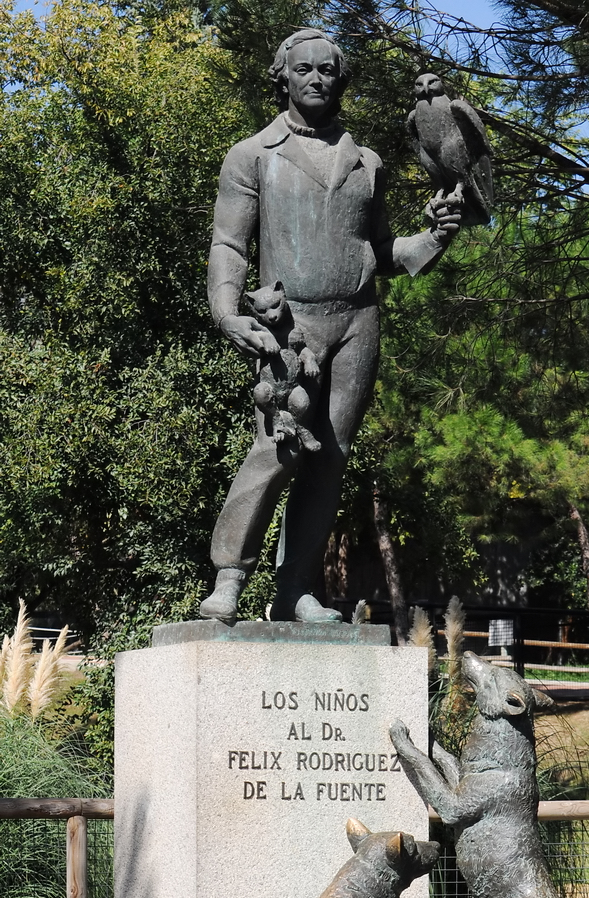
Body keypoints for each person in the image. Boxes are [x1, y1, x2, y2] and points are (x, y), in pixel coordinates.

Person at [200, 28, 461, 624]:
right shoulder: (253, 155)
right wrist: (226, 309)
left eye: (327, 70)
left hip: (357, 324)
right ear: (283, 77)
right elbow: (229, 244)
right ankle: (230, 575)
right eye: (304, 69)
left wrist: (439, 234)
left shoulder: (366, 162)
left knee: (330, 458)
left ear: (341, 80)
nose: (315, 78)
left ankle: (294, 590)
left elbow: (387, 252)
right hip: (289, 326)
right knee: (278, 447)